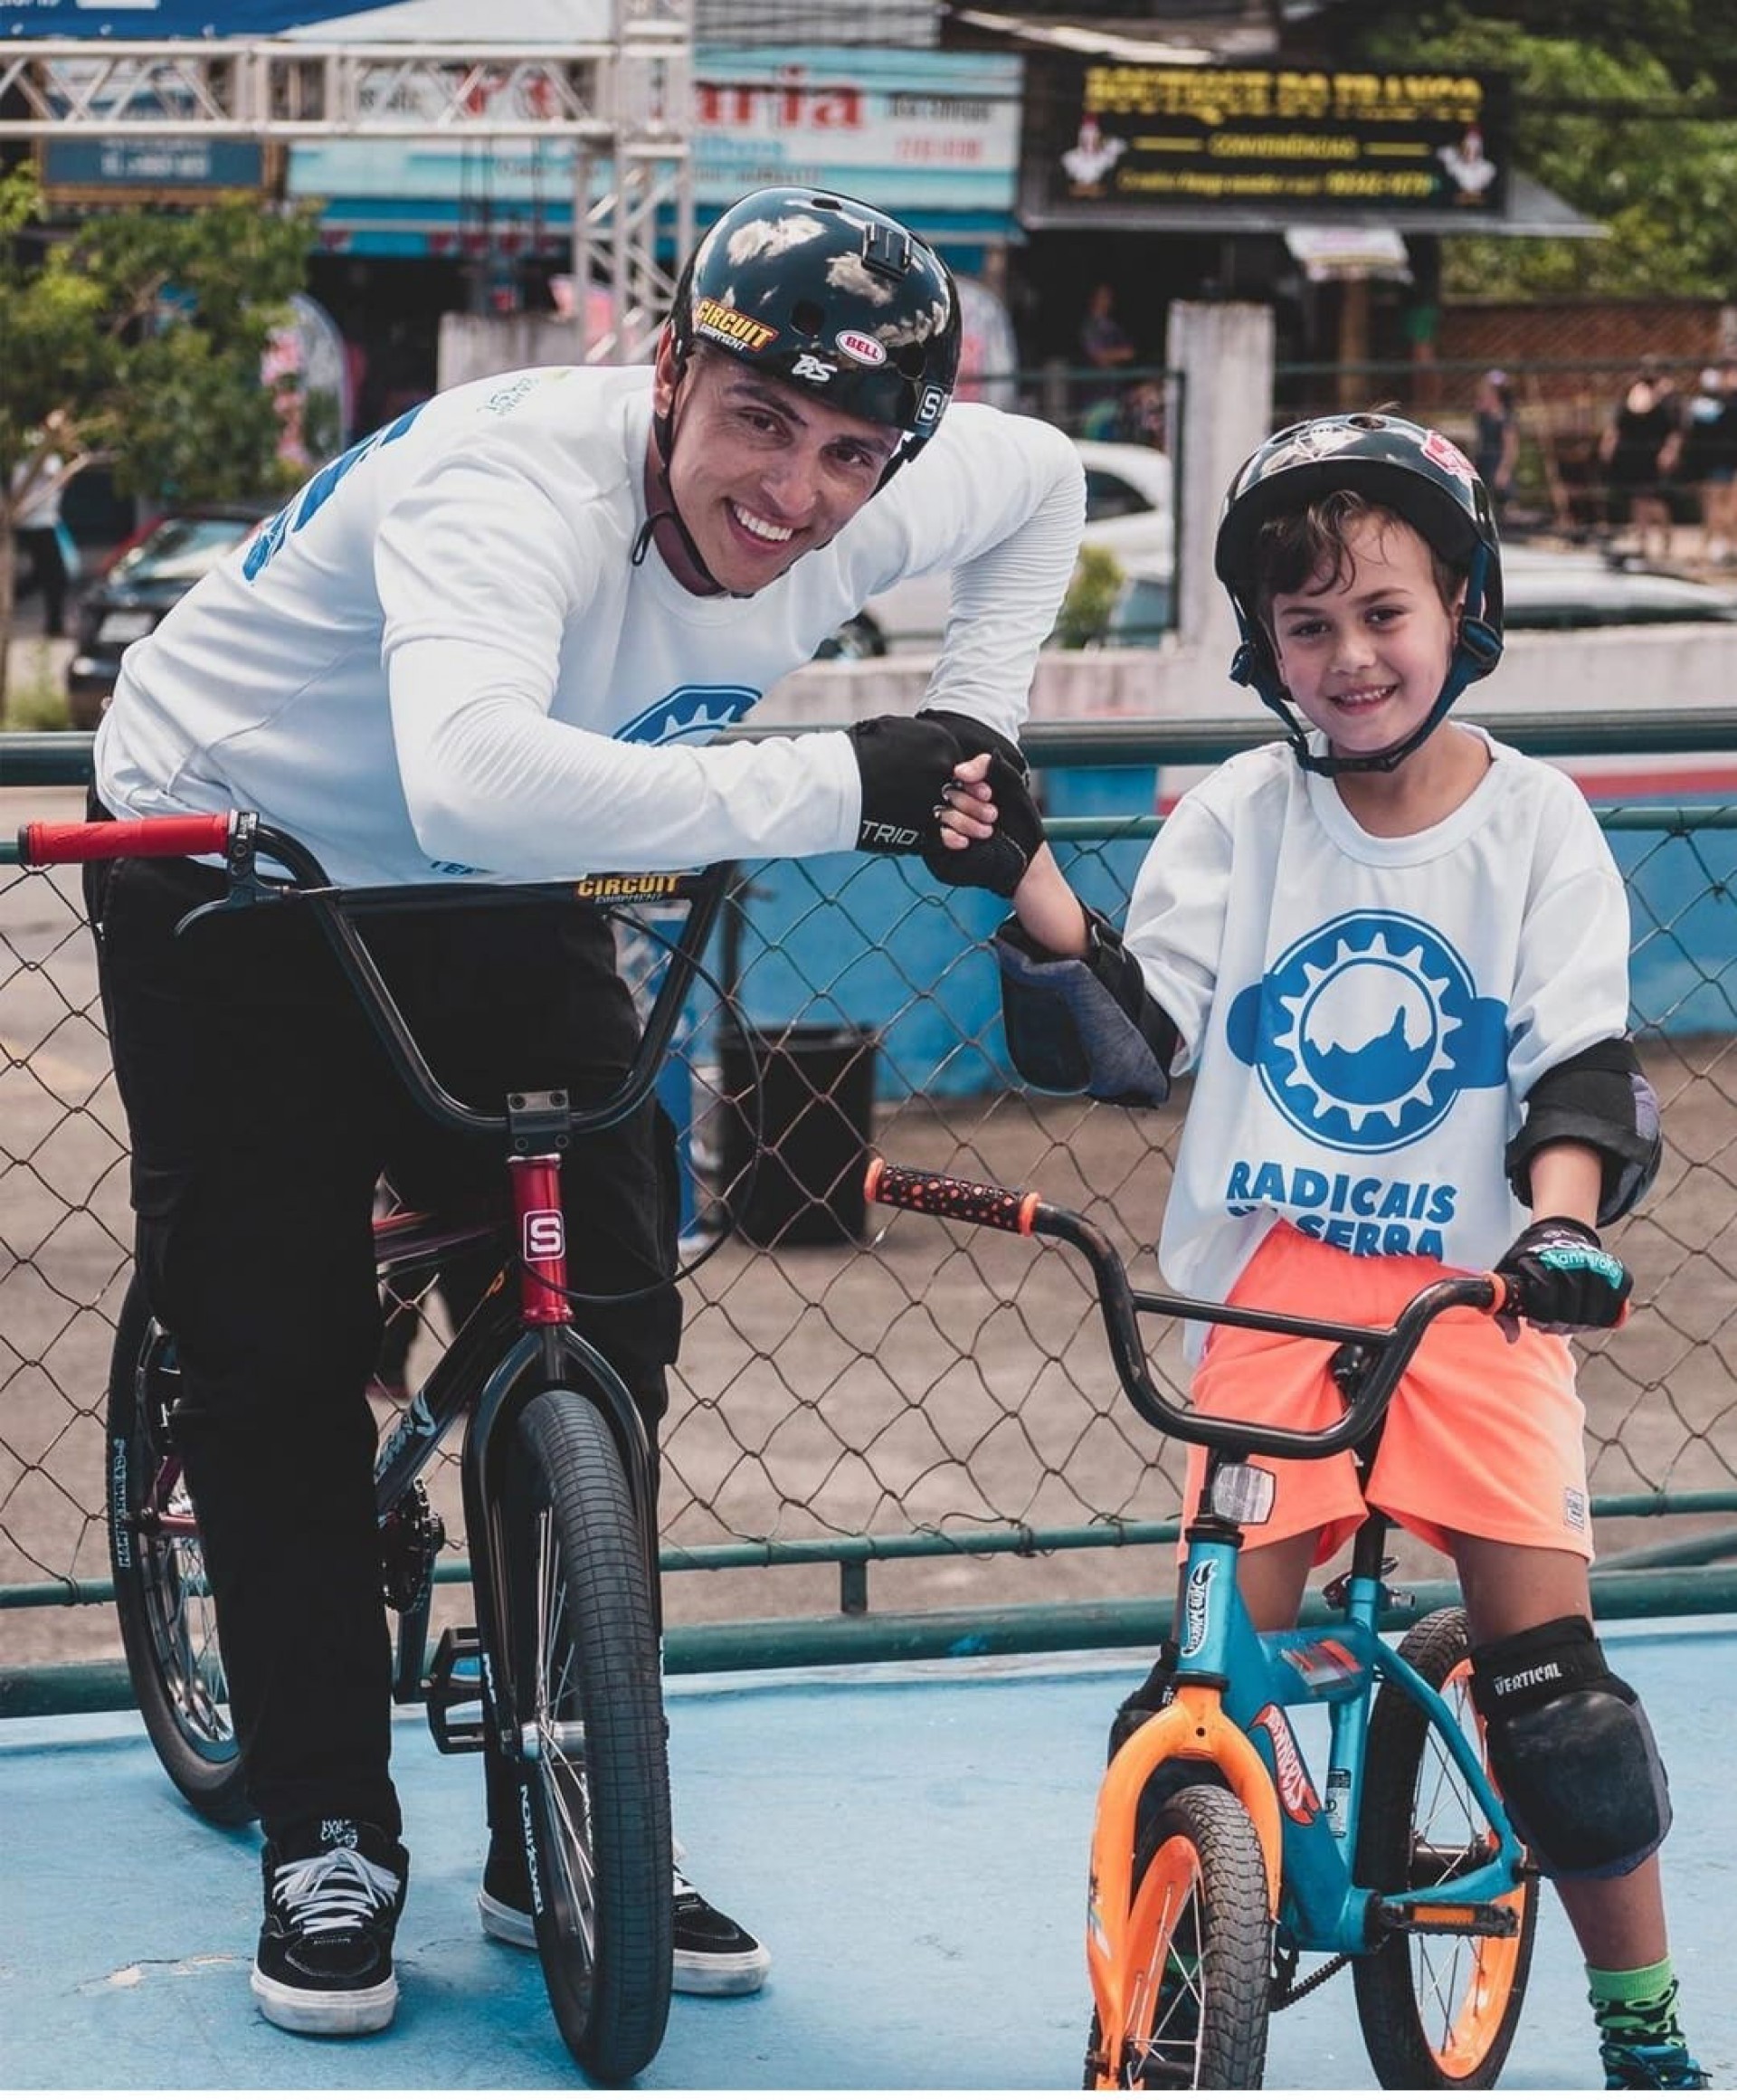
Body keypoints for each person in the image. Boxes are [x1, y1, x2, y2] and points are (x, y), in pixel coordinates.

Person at [83, 186, 1083, 2040]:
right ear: (670, 371)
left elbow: (1045, 485)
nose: (793, 490)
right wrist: (845, 778)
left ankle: (562, 1810)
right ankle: (325, 1821)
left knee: (605, 1297)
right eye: (757, 421)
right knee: (274, 1335)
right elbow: (475, 757)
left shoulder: (895, 479)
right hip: (232, 842)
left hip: (493, 865)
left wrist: (974, 723)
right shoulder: (510, 490)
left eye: (850, 451)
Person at [966, 413, 1707, 2090]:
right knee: (1198, 1682)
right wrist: (1025, 883)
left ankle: (1645, 2025)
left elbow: (1573, 1066)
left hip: (1485, 1288)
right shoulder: (1243, 816)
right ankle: (1177, 1984)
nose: (1350, 657)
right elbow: (1134, 1033)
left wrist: (1569, 1225)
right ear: (1265, 649)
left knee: (1559, 1711)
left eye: (1384, 612)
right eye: (1308, 627)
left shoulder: (1537, 826)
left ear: (1464, 608)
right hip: (1278, 1284)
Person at [1599, 362, 1681, 564]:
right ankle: (1642, 542)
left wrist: (1669, 452)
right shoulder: (1628, 401)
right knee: (1637, 501)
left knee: (1652, 500)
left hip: (1651, 456)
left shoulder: (1664, 405)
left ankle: (1665, 535)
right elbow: (1616, 427)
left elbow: (1673, 431)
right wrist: (1608, 446)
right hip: (1630, 456)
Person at [10, 414, 72, 638]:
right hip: (37, 522)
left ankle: (53, 624)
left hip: (44, 520)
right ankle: (54, 626)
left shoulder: (48, 454)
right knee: (56, 576)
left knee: (42, 575)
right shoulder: (38, 450)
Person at [1077, 280, 1135, 440]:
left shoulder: (1112, 326)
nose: (1107, 301)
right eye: (1103, 297)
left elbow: (1129, 352)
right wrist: (1116, 355)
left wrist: (1113, 355)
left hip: (1112, 392)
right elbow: (1098, 356)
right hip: (1094, 394)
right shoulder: (1089, 327)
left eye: (1109, 298)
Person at [1471, 366, 1519, 516]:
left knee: (1501, 497)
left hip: (1496, 460)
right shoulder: (1483, 415)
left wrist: (1503, 470)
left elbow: (1511, 447)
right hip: (1483, 458)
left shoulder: (1504, 418)